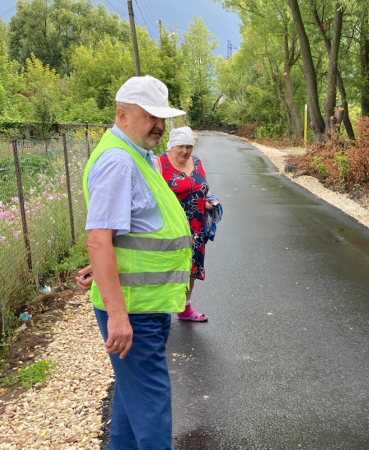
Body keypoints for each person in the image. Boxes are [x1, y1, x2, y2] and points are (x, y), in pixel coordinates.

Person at [74, 75, 190, 449]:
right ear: (122, 115)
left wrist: (107, 265)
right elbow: (99, 239)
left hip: (146, 305)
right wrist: (118, 316)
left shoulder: (139, 156)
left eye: (163, 118)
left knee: (131, 401)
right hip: (134, 312)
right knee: (153, 408)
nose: (159, 125)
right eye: (149, 116)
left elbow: (122, 232)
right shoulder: (119, 162)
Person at [158, 126, 219, 322]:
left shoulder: (198, 162)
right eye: (181, 146)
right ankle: (159, 308)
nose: (185, 151)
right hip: (170, 227)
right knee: (168, 266)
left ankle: (185, 307)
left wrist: (209, 201)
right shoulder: (159, 163)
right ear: (171, 145)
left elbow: (203, 187)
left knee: (191, 266)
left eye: (189, 146)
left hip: (196, 226)